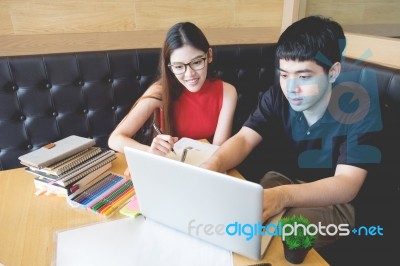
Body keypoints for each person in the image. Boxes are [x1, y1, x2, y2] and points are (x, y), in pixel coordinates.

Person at [201, 15, 382, 249]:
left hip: (337, 203)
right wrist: (213, 165)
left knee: (271, 238)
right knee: (233, 216)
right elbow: (245, 138)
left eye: (304, 77)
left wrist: (282, 196)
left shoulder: (359, 108)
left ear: (333, 72)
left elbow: (347, 184)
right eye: (284, 74)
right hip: (283, 181)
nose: (291, 88)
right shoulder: (278, 94)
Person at [108, 22, 237, 156]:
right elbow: (115, 139)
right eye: (179, 66)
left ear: (209, 55)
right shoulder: (160, 91)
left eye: (197, 62)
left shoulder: (227, 92)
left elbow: (218, 151)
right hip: (170, 165)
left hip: (207, 165)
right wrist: (149, 151)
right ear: (169, 66)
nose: (189, 74)